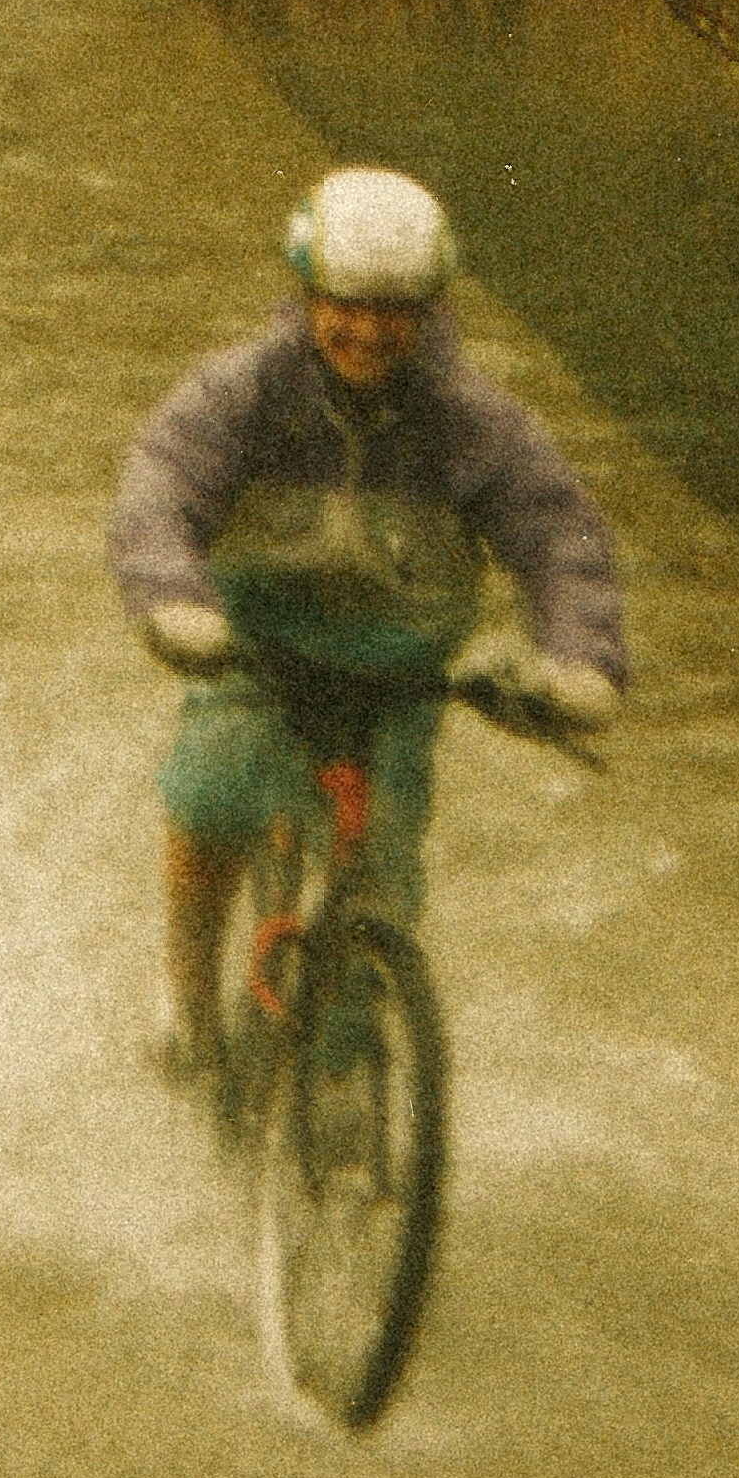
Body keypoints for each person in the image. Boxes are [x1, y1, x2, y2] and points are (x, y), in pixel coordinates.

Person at [108, 167, 622, 1083]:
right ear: (306, 293)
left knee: (380, 877)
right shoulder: (242, 393)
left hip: (398, 671)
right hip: (256, 647)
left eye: (395, 309)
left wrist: (579, 658)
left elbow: (558, 536)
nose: (369, 331)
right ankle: (186, 997)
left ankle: (344, 1081)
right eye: (345, 304)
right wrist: (173, 599)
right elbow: (161, 486)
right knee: (213, 792)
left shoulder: (474, 423)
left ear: (429, 309)